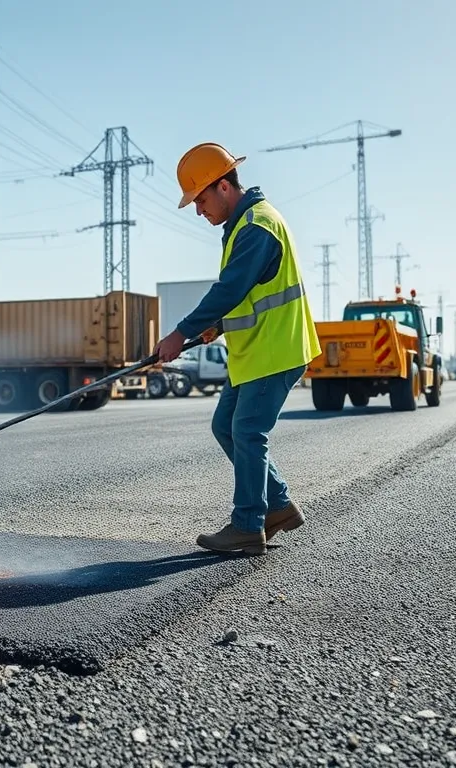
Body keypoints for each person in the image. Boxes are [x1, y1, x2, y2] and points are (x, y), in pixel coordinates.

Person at [154, 143, 321, 556]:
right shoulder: (243, 225)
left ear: (224, 186)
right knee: (226, 426)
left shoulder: (257, 226)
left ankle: (248, 526)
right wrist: (219, 325)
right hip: (254, 352)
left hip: (275, 350)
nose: (198, 210)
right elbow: (247, 294)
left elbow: (230, 288)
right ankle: (278, 506)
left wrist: (181, 332)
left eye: (201, 199)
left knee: (247, 431)